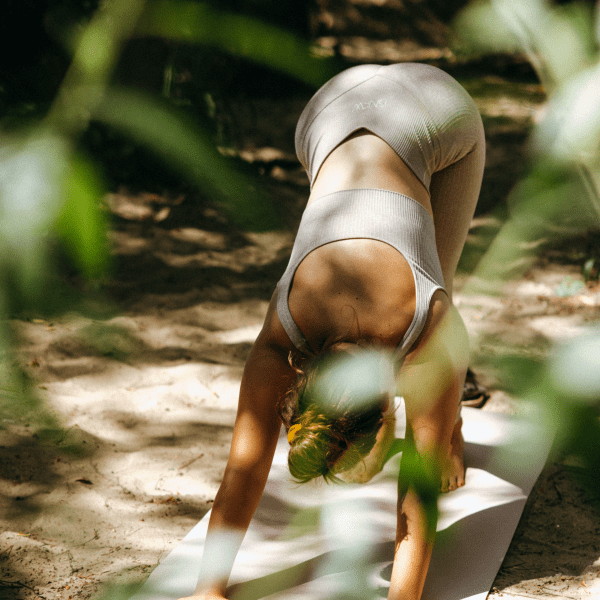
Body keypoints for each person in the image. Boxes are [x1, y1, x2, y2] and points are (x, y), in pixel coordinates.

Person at [181, 62, 485, 600]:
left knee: (442, 279)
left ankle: (452, 426)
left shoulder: (426, 326)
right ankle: (446, 415)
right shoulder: (284, 334)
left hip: (430, 106)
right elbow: (245, 470)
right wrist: (209, 590)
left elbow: (417, 498)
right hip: (327, 111)